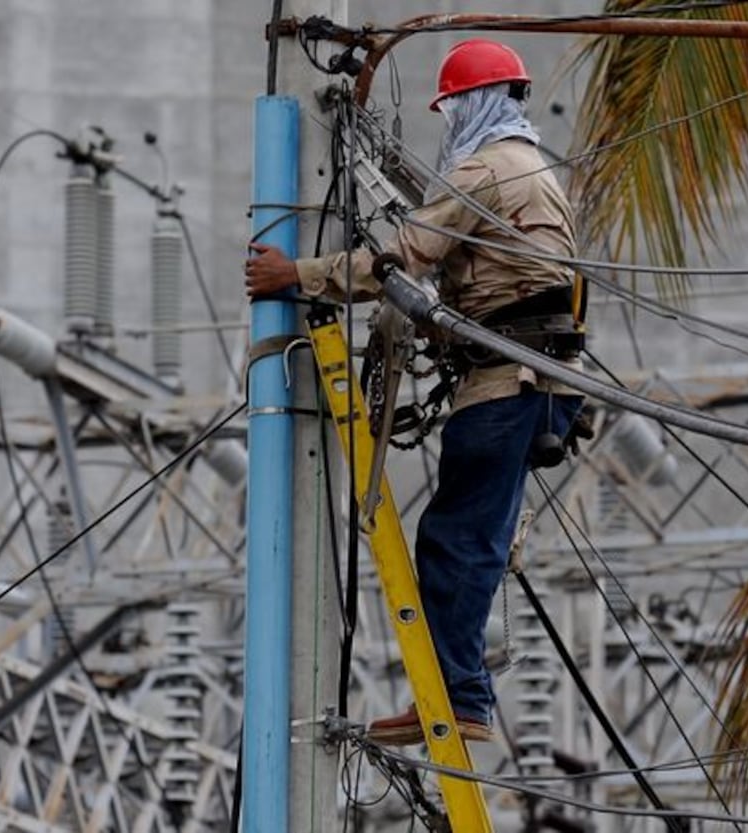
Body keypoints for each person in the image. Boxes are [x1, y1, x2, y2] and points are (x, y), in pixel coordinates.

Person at [245, 38, 585, 745]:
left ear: (471, 103)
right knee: (474, 539)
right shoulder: (539, 172)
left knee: (455, 540)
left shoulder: (483, 170)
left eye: (454, 104)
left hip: (505, 381)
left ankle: (459, 697)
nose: (452, 118)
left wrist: (294, 276)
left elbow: (399, 262)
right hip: (545, 381)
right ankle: (461, 692)